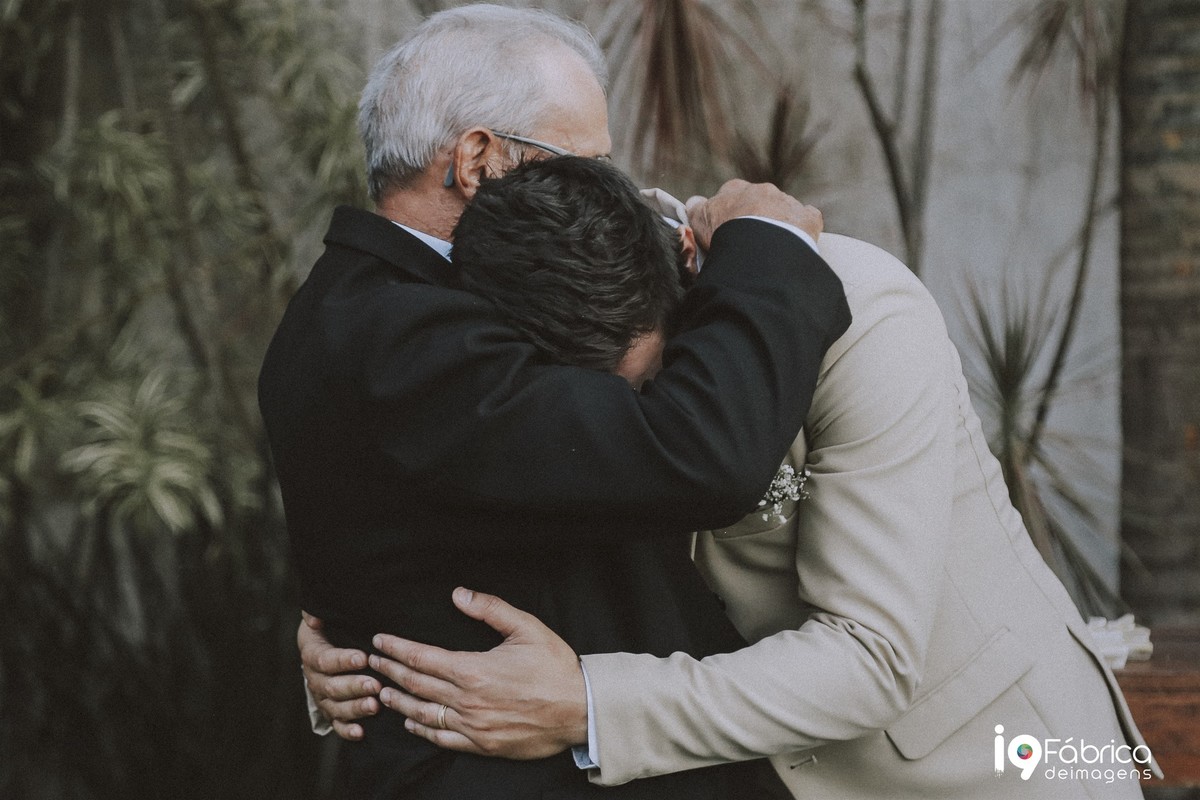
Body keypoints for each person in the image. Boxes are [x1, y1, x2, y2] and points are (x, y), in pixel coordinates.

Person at [303, 179, 1159, 798]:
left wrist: (589, 706)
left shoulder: (866, 315)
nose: (637, 433)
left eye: (651, 385)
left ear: (681, 273)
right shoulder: (550, 274)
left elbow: (872, 658)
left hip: (996, 768)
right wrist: (350, 653)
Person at [257, 4, 849, 799]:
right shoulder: (400, 339)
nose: (613, 191)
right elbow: (696, 452)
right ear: (477, 160)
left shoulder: (389, 305)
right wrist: (770, 249)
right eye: (588, 162)